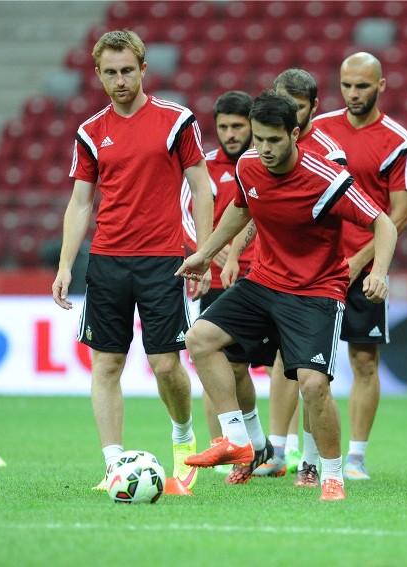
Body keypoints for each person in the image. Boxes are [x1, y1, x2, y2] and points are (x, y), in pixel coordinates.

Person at [177, 90, 398, 501]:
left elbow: (384, 223)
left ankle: (331, 474)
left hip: (316, 292)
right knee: (200, 339)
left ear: (294, 134)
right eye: (258, 138)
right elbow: (241, 209)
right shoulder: (248, 165)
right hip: (264, 282)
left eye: (274, 140)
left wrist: (379, 272)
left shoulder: (326, 178)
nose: (263, 149)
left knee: (313, 386)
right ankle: (239, 440)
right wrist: (204, 254)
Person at [52, 29, 213, 492]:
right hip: (106, 262)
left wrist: (200, 253)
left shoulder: (176, 121)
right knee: (106, 366)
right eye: (110, 73)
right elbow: (80, 203)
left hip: (163, 259)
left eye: (127, 71)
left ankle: (183, 439)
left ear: (143, 70)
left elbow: (203, 188)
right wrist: (66, 265)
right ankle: (113, 465)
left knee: (165, 365)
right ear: (98, 76)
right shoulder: (91, 131)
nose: (120, 80)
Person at [239, 68, 347, 479]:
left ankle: (313, 461)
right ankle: (277, 451)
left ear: (310, 111)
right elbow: (254, 207)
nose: (291, 115)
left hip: (315, 279)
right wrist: (236, 251)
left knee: (312, 376)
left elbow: (341, 217)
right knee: (279, 367)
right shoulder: (262, 151)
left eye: (298, 109)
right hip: (270, 274)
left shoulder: (328, 156)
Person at [313, 52, 407, 481]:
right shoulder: (319, 130)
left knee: (364, 361)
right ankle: (302, 454)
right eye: (346, 85)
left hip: (365, 267)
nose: (353, 94)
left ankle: (354, 456)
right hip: (316, 264)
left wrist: (361, 260)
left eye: (362, 86)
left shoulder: (398, 140)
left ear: (382, 85)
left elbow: (401, 213)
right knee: (299, 362)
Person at [180, 90, 276, 483]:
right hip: (220, 282)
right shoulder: (205, 168)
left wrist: (233, 249)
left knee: (287, 370)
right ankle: (240, 446)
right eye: (224, 127)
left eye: (238, 126)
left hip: (267, 277)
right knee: (229, 368)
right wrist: (208, 252)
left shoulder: (265, 165)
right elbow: (182, 213)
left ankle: (290, 449)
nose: (231, 134)